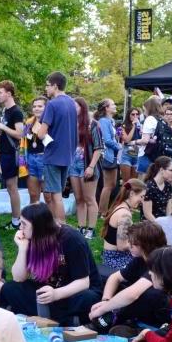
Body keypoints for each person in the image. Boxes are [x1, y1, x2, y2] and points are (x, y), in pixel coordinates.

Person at [0, 202, 102, 325]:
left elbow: (83, 283)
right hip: (48, 291)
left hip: (72, 291)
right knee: (9, 288)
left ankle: (47, 318)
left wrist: (56, 294)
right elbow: (18, 278)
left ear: (38, 226)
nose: (20, 228)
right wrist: (22, 248)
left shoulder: (72, 239)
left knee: (87, 298)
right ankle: (62, 320)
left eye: (24, 224)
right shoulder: (31, 238)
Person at [89, 221, 171, 333]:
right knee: (105, 281)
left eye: (132, 243)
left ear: (144, 245)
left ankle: (102, 324)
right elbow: (115, 277)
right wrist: (106, 300)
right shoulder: (141, 258)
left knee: (143, 294)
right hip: (143, 308)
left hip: (163, 315)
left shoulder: (161, 260)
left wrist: (102, 310)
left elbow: (132, 294)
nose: (128, 245)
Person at [34, 71, 77, 222]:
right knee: (57, 194)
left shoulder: (52, 104)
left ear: (55, 86)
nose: (46, 89)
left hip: (53, 156)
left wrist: (37, 129)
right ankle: (59, 225)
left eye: (47, 86)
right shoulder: (72, 103)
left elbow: (41, 134)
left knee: (56, 196)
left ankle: (61, 227)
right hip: (68, 156)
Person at [69, 97, 103, 239]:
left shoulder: (92, 124)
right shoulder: (69, 124)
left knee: (90, 198)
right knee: (78, 198)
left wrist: (91, 166)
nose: (73, 109)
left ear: (82, 108)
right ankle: (81, 227)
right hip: (73, 164)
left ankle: (91, 228)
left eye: (75, 107)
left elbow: (98, 148)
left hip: (87, 163)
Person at [0, 80, 24, 230]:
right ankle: (16, 220)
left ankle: (16, 221)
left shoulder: (16, 111)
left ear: (9, 94)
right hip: (5, 151)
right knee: (10, 187)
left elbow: (20, 134)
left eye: (0, 92)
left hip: (12, 153)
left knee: (12, 187)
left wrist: (2, 127)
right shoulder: (5, 111)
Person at [101, 179, 146, 270]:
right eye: (141, 196)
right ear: (132, 194)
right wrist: (143, 244)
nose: (142, 200)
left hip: (109, 256)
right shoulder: (125, 215)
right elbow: (121, 246)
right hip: (116, 259)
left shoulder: (119, 206)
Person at [95, 98, 122, 216]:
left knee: (112, 185)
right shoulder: (104, 121)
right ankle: (102, 211)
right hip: (108, 156)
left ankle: (105, 210)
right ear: (106, 108)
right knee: (107, 185)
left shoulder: (110, 121)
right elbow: (106, 140)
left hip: (113, 156)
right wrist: (119, 147)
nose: (115, 106)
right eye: (113, 104)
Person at [24, 97, 47, 204]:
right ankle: (33, 219)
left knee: (48, 196)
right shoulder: (29, 122)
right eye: (34, 106)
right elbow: (22, 140)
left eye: (40, 106)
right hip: (30, 159)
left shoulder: (49, 122)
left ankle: (50, 219)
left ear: (46, 107)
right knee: (33, 194)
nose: (36, 108)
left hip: (45, 160)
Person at [142, 156, 172, 221]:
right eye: (171, 170)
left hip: (163, 223)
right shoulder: (149, 187)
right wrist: (160, 226)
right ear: (161, 170)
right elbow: (147, 214)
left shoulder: (168, 186)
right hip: (150, 225)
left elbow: (169, 211)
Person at [135, 96, 162, 176]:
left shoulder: (149, 119)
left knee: (142, 184)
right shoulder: (161, 119)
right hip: (157, 154)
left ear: (149, 108)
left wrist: (134, 142)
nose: (144, 112)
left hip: (146, 154)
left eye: (144, 109)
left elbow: (145, 140)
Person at [119, 107, 142, 182]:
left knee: (134, 182)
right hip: (126, 154)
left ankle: (131, 194)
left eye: (137, 114)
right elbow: (127, 139)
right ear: (129, 115)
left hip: (137, 153)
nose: (135, 116)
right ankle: (122, 194)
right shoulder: (123, 126)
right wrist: (133, 127)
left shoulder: (140, 126)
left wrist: (139, 128)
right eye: (133, 114)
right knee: (126, 183)